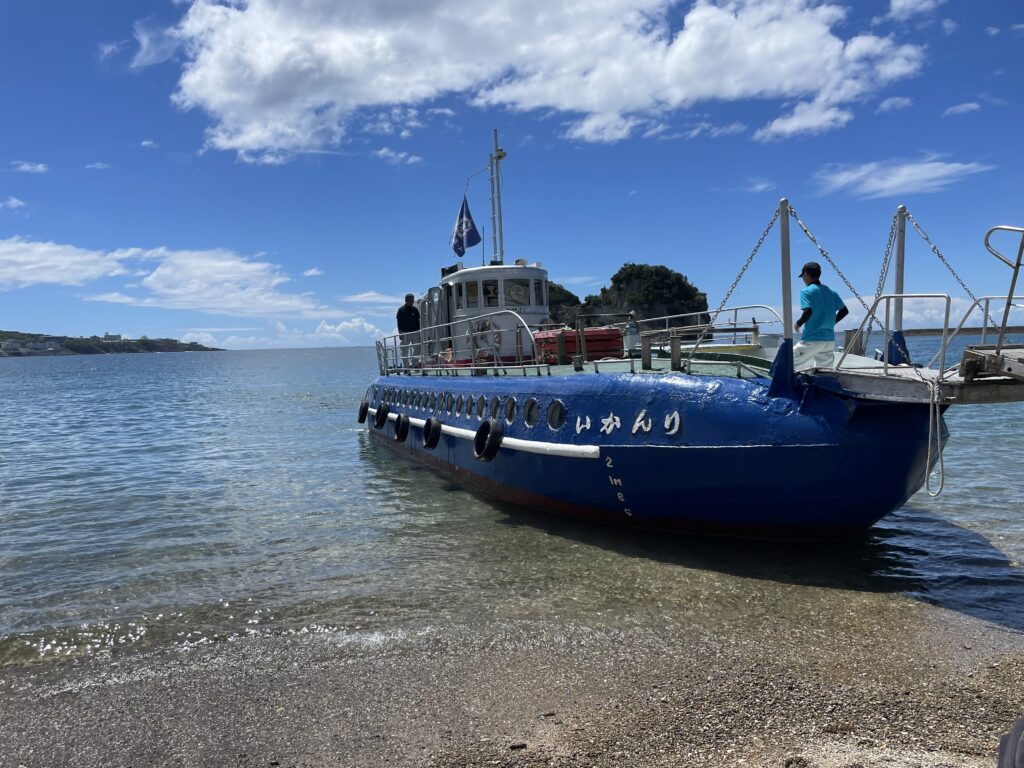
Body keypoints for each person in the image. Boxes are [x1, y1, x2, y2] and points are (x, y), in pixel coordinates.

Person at [793, 261, 848, 371]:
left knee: (787, 362)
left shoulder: (806, 291)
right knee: (824, 371)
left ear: (806, 275)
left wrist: (798, 323)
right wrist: (832, 322)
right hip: (829, 341)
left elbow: (808, 311)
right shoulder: (831, 292)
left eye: (803, 276)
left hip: (812, 339)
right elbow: (844, 311)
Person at [396, 293, 420, 367]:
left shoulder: (415, 310)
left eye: (412, 300)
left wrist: (419, 332)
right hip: (405, 332)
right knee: (404, 350)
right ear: (405, 300)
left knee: (417, 348)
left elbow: (418, 322)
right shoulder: (401, 310)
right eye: (409, 300)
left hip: (415, 332)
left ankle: (414, 364)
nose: (411, 301)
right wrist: (400, 333)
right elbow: (398, 322)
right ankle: (406, 366)